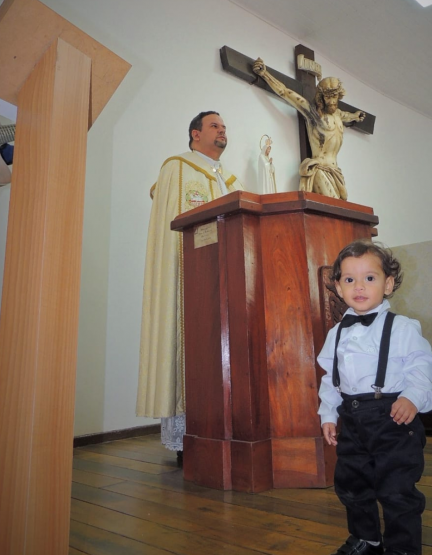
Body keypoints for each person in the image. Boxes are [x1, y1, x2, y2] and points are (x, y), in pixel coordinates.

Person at [317, 240, 432, 555]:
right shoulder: (336, 334)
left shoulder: (401, 328)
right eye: (349, 279)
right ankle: (366, 538)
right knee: (352, 484)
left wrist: (412, 397)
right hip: (353, 421)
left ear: (387, 284)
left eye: (369, 278)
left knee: (396, 489)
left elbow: (423, 366)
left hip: (393, 421)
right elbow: (331, 379)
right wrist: (329, 414)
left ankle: (402, 548)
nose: (359, 286)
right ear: (338, 286)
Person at [136, 111, 244, 466]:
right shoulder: (177, 168)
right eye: (215, 125)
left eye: (224, 126)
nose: (222, 130)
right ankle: (189, 439)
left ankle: (228, 432)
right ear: (195, 134)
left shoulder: (228, 180)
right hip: (192, 277)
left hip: (225, 276)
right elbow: (173, 228)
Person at [251, 58, 365, 201]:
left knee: (344, 204)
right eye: (328, 97)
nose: (332, 101)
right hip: (319, 170)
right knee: (335, 206)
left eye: (335, 96)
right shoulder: (313, 114)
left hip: (336, 173)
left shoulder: (338, 114)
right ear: (321, 97)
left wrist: (355, 116)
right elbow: (285, 92)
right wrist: (264, 74)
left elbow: (346, 116)